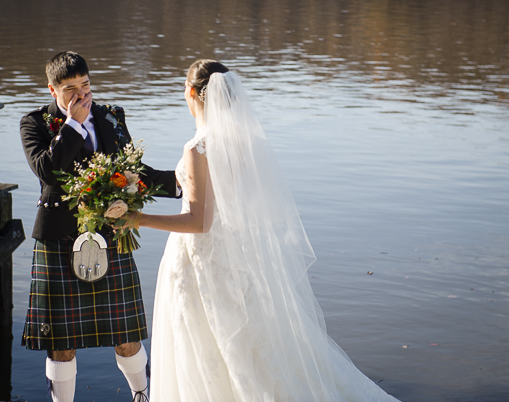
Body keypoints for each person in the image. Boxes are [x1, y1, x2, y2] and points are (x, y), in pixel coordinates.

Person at [126, 59, 400, 401]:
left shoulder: (198, 148)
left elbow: (199, 222)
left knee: (204, 345)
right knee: (251, 343)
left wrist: (138, 220)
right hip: (238, 259)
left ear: (193, 93)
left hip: (201, 264)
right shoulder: (247, 143)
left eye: (184, 89)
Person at [20, 51, 181, 402]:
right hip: (58, 238)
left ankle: (142, 396)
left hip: (110, 234)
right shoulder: (34, 123)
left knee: (126, 335)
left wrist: (183, 184)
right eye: (70, 89)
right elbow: (48, 171)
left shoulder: (111, 116)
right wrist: (74, 126)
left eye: (86, 85)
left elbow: (134, 172)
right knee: (61, 344)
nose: (82, 95)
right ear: (52, 90)